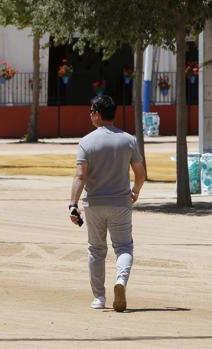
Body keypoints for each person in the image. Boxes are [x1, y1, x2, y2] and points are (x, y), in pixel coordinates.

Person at [69, 95, 146, 312]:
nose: (90, 115)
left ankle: (99, 298)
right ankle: (120, 282)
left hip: (94, 203)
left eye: (91, 111)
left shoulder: (86, 142)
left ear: (98, 114)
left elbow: (80, 176)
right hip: (121, 202)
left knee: (96, 249)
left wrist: (72, 204)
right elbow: (140, 174)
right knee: (124, 247)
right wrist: (135, 191)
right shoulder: (128, 140)